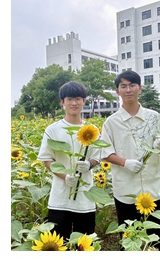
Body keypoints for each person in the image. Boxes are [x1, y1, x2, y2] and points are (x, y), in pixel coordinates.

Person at [101, 71, 160, 249]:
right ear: (117, 91)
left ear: (140, 88)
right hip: (126, 193)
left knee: (155, 243)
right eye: (123, 86)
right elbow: (104, 152)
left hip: (155, 190)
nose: (128, 89)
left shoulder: (154, 117)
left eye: (132, 85)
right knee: (129, 243)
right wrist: (125, 162)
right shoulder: (111, 123)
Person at [37, 81, 100, 240]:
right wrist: (65, 176)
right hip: (59, 198)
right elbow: (47, 160)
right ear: (62, 102)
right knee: (58, 242)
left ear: (84, 101)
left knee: (84, 244)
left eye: (78, 98)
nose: (74, 103)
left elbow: (98, 156)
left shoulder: (92, 130)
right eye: (69, 99)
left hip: (85, 198)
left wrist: (89, 164)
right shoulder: (52, 130)